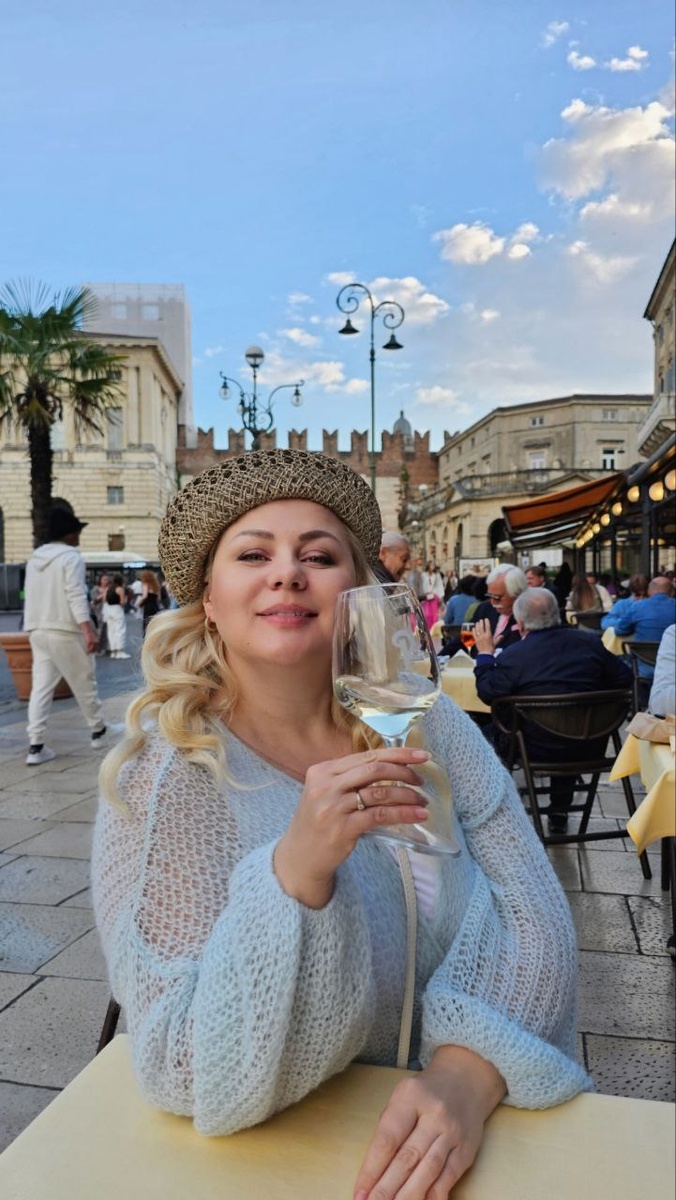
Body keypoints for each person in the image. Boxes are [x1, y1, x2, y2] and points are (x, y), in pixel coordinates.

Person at [92, 450, 588, 1199]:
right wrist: (295, 874)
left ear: (357, 592)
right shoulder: (166, 775)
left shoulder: (421, 719)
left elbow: (533, 907)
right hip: (288, 1167)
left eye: (318, 556)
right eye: (253, 554)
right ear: (208, 599)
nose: (288, 574)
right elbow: (183, 1066)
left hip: (479, 1140)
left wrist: (468, 1069)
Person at [474, 588, 633, 831]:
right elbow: (625, 679)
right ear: (557, 615)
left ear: (520, 623)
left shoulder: (515, 657)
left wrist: (485, 655)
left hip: (533, 748)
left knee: (478, 733)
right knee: (567, 725)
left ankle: (489, 813)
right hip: (591, 744)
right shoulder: (590, 644)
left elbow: (487, 693)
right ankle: (559, 812)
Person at [23, 508, 113, 765]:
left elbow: (30, 594)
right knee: (84, 680)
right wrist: (88, 630)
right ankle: (98, 731)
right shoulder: (71, 557)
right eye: (77, 532)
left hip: (38, 629)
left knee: (41, 688)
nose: (79, 537)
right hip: (64, 629)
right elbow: (75, 594)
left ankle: (35, 745)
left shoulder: (34, 559)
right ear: (69, 534)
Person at [611, 576, 676, 688]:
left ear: (649, 591)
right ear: (672, 592)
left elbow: (619, 630)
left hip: (642, 670)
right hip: (671, 670)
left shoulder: (637, 607)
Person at [471, 564, 528, 654]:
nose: (492, 602)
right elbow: (465, 640)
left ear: (517, 595)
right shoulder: (485, 608)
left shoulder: (529, 614)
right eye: (490, 596)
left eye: (497, 598)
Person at [648, 624, 676, 717]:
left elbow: (620, 630)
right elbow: (659, 705)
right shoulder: (673, 632)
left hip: (643, 668)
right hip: (661, 674)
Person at [103, 582, 130, 659]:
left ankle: (113, 652)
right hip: (117, 610)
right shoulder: (120, 589)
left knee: (111, 631)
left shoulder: (108, 589)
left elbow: (104, 600)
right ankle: (120, 651)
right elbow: (122, 602)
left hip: (109, 610)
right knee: (120, 630)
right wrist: (125, 600)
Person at [136, 568, 163, 636]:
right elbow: (159, 598)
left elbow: (145, 596)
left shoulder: (145, 584)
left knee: (147, 625)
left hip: (148, 607)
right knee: (154, 624)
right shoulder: (156, 585)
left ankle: (147, 640)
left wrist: (139, 603)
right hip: (155, 607)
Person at [421, 560, 444, 627]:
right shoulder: (423, 575)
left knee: (434, 614)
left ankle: (433, 628)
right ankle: (427, 627)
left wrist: (440, 596)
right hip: (425, 596)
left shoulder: (436, 575)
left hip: (433, 596)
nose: (433, 566)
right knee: (426, 614)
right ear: (428, 566)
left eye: (434, 565)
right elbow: (421, 585)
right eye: (432, 565)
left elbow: (439, 586)